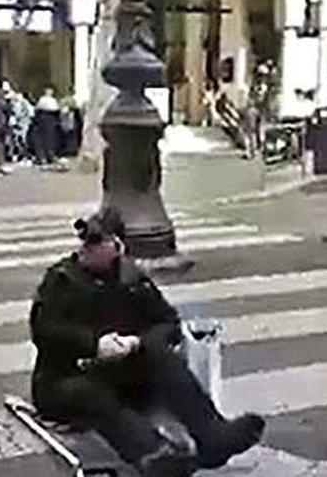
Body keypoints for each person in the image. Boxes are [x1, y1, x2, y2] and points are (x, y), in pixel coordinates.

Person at [30, 209, 265, 476]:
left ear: (117, 246)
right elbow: (45, 330)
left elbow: (168, 323)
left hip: (120, 372)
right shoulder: (61, 279)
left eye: (96, 242)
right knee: (91, 394)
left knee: (164, 359)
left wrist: (137, 343)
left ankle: (212, 437)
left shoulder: (133, 280)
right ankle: (153, 455)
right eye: (84, 241)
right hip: (66, 378)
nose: (86, 247)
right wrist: (94, 344)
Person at [32, 87, 63, 168]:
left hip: (47, 119)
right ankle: (45, 156)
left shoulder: (47, 100)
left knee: (48, 139)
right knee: (47, 139)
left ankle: (47, 156)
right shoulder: (47, 100)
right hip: (47, 119)